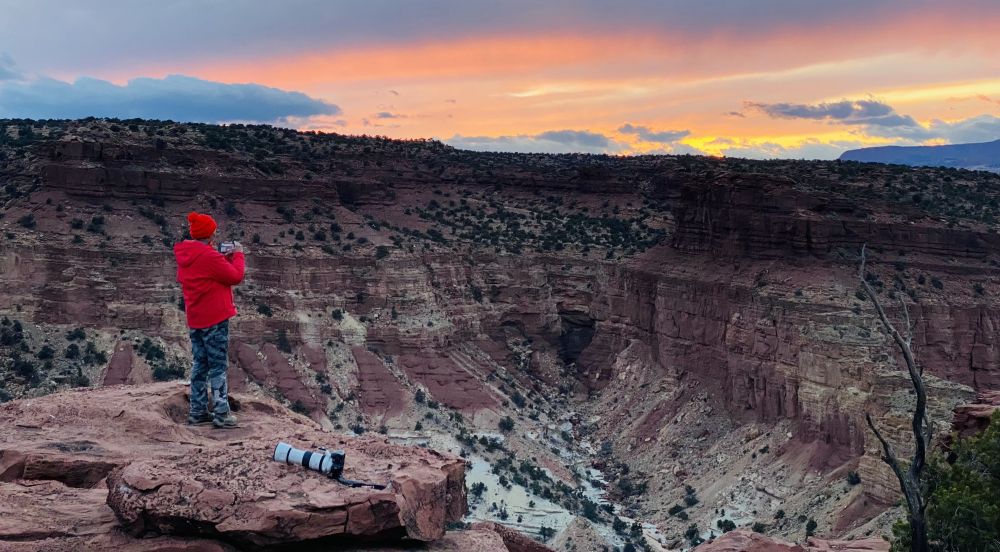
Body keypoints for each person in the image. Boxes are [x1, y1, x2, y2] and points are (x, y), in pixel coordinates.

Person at [174, 211, 245, 428]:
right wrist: (238, 255)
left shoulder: (187, 254)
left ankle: (197, 411)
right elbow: (235, 276)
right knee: (217, 365)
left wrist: (221, 258)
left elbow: (208, 273)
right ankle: (221, 412)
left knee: (200, 364)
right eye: (214, 231)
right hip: (214, 319)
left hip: (196, 318)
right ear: (210, 234)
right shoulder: (210, 257)